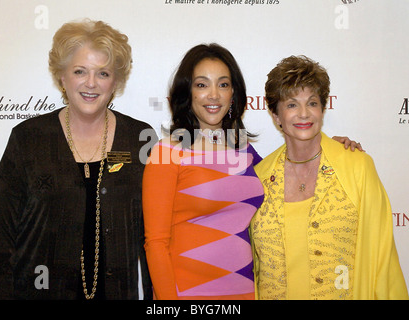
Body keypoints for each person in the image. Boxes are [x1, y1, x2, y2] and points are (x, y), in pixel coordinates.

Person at [142, 44, 360, 300]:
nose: (214, 95)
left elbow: (292, 167)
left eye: (223, 85)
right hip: (188, 295)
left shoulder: (246, 153)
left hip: (246, 293)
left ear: (233, 93)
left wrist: (332, 149)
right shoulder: (167, 153)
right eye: (202, 85)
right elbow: (155, 244)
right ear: (187, 92)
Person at [0, 19, 156, 300]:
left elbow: (152, 239)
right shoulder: (28, 139)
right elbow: (0, 246)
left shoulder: (140, 138)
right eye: (80, 71)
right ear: (62, 77)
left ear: (116, 81)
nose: (91, 83)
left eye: (103, 73)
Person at [250, 55, 408, 300]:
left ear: (322, 108)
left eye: (312, 103)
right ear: (275, 114)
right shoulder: (259, 178)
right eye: (291, 105)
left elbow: (382, 261)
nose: (304, 114)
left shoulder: (357, 167)